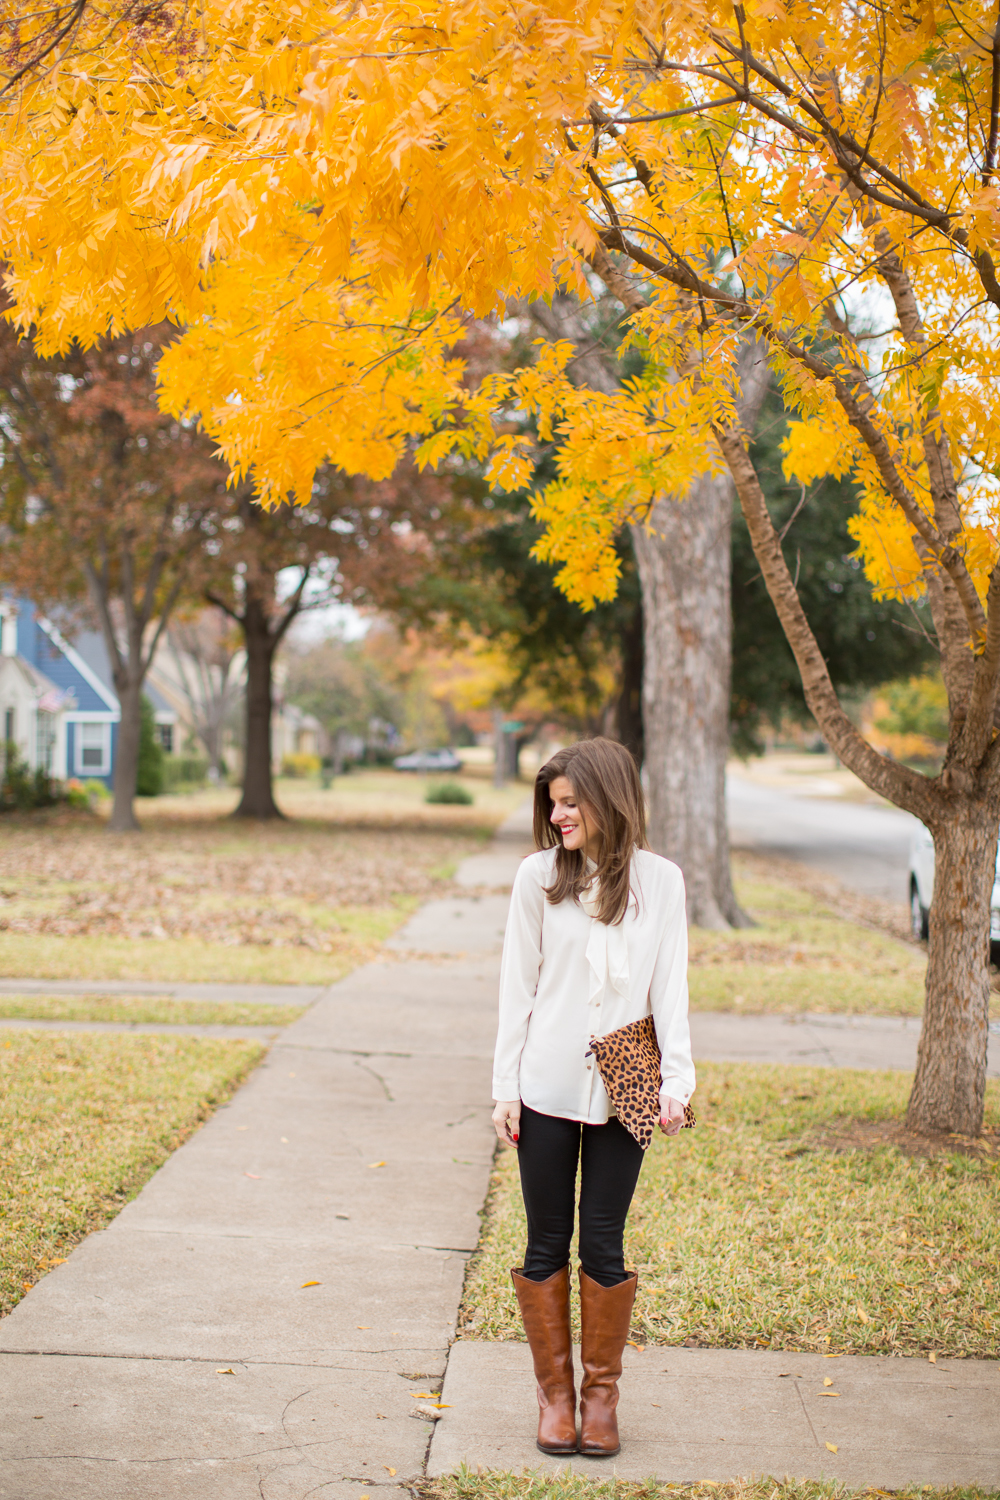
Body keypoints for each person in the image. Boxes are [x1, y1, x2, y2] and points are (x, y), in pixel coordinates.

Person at [492, 737, 694, 1458]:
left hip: (629, 1079)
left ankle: (600, 1401)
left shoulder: (662, 882)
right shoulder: (537, 877)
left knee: (604, 1245)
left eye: (571, 802)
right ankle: (555, 1398)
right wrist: (504, 1088)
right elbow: (517, 988)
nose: (559, 816)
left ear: (610, 798)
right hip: (544, 1081)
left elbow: (671, 988)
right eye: (553, 804)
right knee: (546, 1241)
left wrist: (677, 1082)